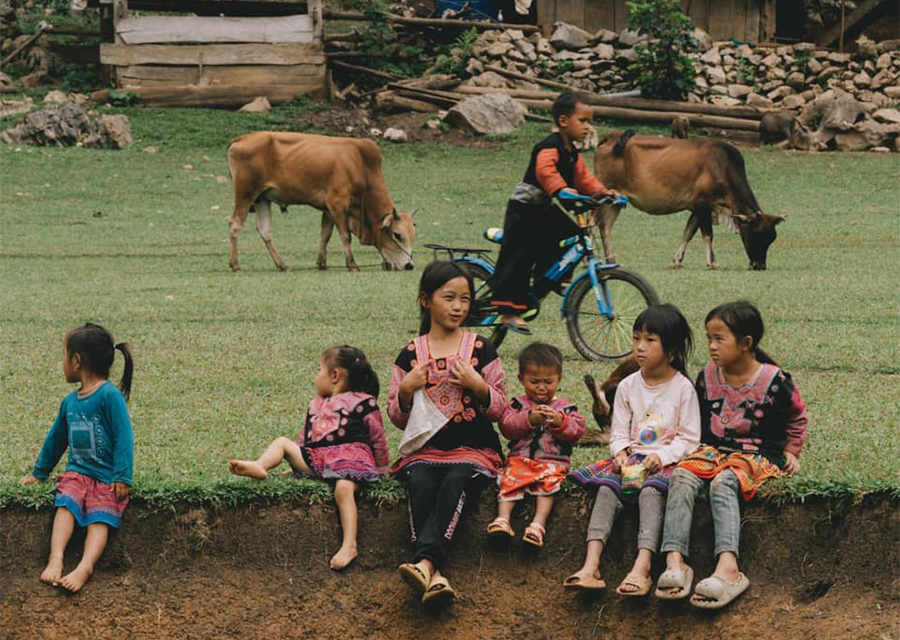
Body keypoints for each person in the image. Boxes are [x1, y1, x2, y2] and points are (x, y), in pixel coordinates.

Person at [655, 301, 808, 609]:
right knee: (681, 475)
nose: (711, 346)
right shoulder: (707, 376)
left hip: (758, 453)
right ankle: (675, 561)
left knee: (723, 481)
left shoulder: (775, 381)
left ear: (746, 343)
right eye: (709, 338)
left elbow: (797, 417)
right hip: (713, 451)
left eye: (719, 339)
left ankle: (728, 567)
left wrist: (792, 450)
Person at [388, 260, 507, 605]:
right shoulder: (410, 355)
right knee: (421, 483)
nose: (458, 307)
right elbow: (397, 417)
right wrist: (406, 389)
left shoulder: (481, 349)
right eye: (449, 298)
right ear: (425, 300)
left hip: (475, 451)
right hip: (424, 453)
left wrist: (478, 385)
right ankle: (435, 573)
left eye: (465, 299)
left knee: (456, 480)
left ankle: (425, 563)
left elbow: (500, 410)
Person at [566, 305, 700, 596]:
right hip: (632, 460)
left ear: (671, 349)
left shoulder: (683, 389)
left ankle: (643, 566)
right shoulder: (628, 386)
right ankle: (591, 565)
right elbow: (618, 431)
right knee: (606, 490)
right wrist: (620, 452)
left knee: (651, 493)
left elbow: (689, 439)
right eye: (636, 338)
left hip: (666, 463)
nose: (639, 346)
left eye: (650, 340)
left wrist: (661, 456)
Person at [229, 345, 389, 570]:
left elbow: (378, 438)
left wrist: (383, 470)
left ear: (335, 375)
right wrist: (297, 464)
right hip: (319, 459)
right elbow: (304, 440)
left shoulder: (364, 402)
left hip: (351, 461)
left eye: (319, 370)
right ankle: (260, 465)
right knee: (282, 442)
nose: (316, 376)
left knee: (343, 489)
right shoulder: (316, 404)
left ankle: (349, 544)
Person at [489, 91, 618, 334]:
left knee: (571, 234)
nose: (588, 127)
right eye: (583, 121)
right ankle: (507, 312)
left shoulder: (571, 152)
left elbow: (584, 178)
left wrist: (603, 193)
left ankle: (551, 278)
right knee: (520, 255)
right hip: (524, 209)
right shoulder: (550, 146)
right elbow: (545, 171)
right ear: (563, 121)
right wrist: (560, 189)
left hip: (543, 208)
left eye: (590, 121)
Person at [20, 323, 135, 593]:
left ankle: (85, 566)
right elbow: (56, 440)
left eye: (63, 356)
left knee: (99, 518)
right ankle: (56, 557)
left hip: (105, 478)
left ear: (76, 360)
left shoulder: (109, 396)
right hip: (76, 473)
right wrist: (39, 473)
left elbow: (124, 436)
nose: (62, 363)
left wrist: (122, 475)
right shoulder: (69, 402)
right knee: (65, 505)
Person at [487, 342, 585, 548]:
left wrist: (560, 422)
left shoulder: (565, 409)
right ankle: (503, 519)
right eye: (534, 381)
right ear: (521, 378)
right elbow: (507, 426)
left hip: (552, 463)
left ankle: (538, 525)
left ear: (559, 378)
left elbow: (576, 432)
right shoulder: (517, 405)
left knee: (548, 485)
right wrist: (528, 419)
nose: (541, 387)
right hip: (520, 460)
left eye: (548, 382)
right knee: (509, 479)